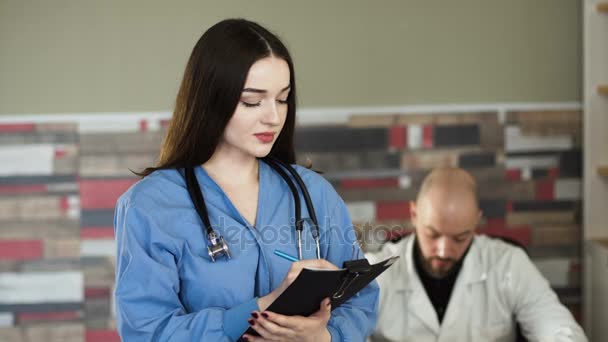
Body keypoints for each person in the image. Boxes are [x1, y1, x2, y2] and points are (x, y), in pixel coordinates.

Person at [113, 18, 378, 342]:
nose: (274, 116)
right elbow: (147, 331)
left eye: (282, 99)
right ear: (211, 99)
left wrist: (324, 338)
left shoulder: (313, 193)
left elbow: (361, 298)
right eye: (252, 101)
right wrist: (260, 310)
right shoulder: (150, 206)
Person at [366, 167, 587, 342]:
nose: (443, 251)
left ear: (476, 221)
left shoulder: (508, 263)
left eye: (460, 237)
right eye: (433, 234)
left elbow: (560, 329)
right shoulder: (375, 273)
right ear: (414, 214)